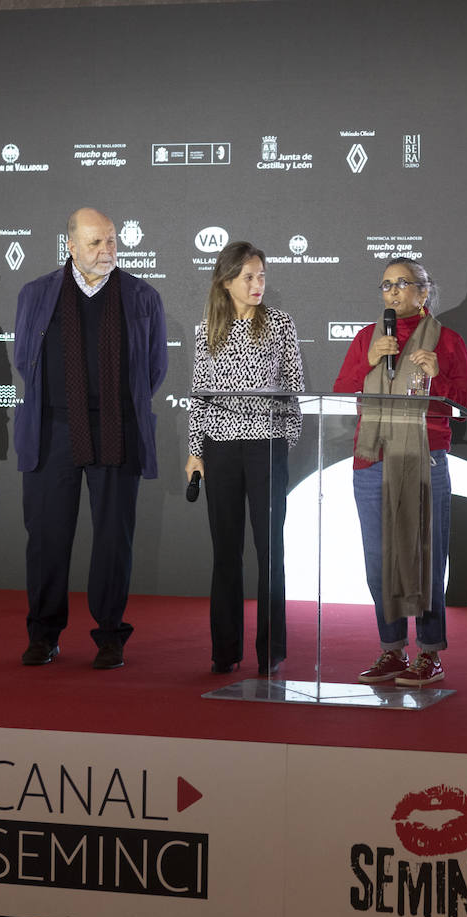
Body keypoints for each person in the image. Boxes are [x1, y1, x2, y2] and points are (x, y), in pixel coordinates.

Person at [13, 207, 168, 670]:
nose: (106, 250)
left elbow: (154, 368)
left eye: (111, 240)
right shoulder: (36, 293)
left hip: (116, 429)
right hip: (52, 430)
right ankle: (43, 635)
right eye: (96, 242)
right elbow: (25, 360)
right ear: (71, 246)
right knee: (47, 538)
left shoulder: (142, 296)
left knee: (113, 540)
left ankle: (111, 636)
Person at [332, 258, 467, 687]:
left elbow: (464, 405)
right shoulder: (368, 338)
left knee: (425, 561)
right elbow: (342, 391)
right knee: (379, 564)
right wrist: (369, 360)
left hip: (424, 458)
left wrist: (438, 377)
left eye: (402, 283)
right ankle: (391, 650)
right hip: (372, 460)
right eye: (386, 285)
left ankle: (429, 653)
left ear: (423, 291)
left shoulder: (448, 341)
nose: (392, 292)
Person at [186, 241, 305, 676]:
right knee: (226, 552)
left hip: (265, 446)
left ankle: (271, 651)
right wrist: (195, 451)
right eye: (248, 277)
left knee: (270, 550)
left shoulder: (280, 324)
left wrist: (285, 438)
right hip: (219, 446)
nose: (258, 284)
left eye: (261, 276)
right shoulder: (207, 329)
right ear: (226, 281)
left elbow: (294, 386)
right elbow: (200, 394)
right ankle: (225, 650)